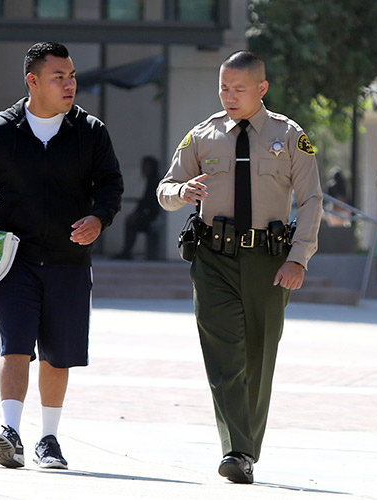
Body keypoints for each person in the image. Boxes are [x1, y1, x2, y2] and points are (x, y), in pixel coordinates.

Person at [0, 41, 123, 470]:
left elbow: (111, 187)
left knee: (58, 354)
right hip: (14, 260)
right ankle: (9, 431)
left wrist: (99, 218)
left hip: (68, 260)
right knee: (15, 347)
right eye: (58, 77)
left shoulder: (91, 131)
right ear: (33, 81)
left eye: (72, 76)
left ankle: (48, 439)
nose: (69, 84)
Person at [156, 50, 323, 484]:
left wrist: (298, 258)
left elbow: (311, 201)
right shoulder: (202, 135)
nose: (229, 96)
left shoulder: (290, 136)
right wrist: (181, 192)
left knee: (258, 358)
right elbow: (165, 189)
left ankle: (246, 448)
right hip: (214, 258)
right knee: (224, 356)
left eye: (239, 88)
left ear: (261, 89)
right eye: (223, 88)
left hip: (270, 261)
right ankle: (237, 451)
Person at [113, 155, 162, 260]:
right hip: (150, 215)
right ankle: (126, 251)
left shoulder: (154, 181)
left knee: (131, 223)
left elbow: (148, 201)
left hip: (153, 217)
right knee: (131, 222)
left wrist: (138, 213)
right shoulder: (151, 180)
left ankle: (127, 251)